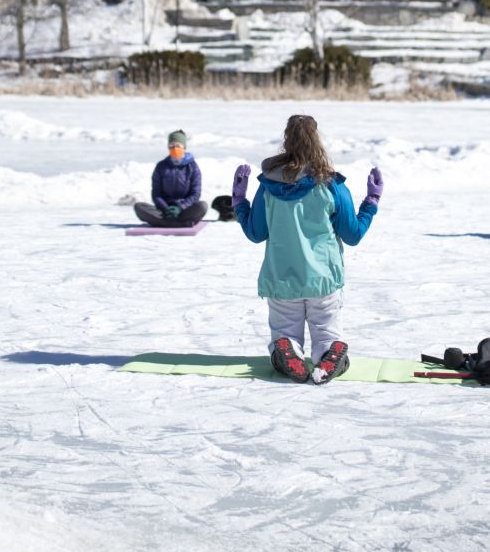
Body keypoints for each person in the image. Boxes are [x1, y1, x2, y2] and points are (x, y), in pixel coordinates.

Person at [232, 114, 382, 384]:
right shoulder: (331, 185)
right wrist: (371, 202)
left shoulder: (268, 186)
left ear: (286, 140)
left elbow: (256, 233)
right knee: (327, 333)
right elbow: (353, 234)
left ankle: (286, 350)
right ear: (317, 141)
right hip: (323, 279)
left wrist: (239, 201)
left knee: (284, 333)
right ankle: (329, 353)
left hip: (282, 279)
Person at [134, 130, 206, 228]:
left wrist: (180, 207)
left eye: (178, 145)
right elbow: (156, 193)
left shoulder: (193, 167)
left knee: (202, 206)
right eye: (171, 146)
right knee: (139, 207)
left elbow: (195, 193)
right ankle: (179, 224)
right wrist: (166, 208)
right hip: (164, 211)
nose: (174, 148)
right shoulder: (161, 166)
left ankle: (163, 223)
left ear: (184, 147)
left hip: (184, 210)